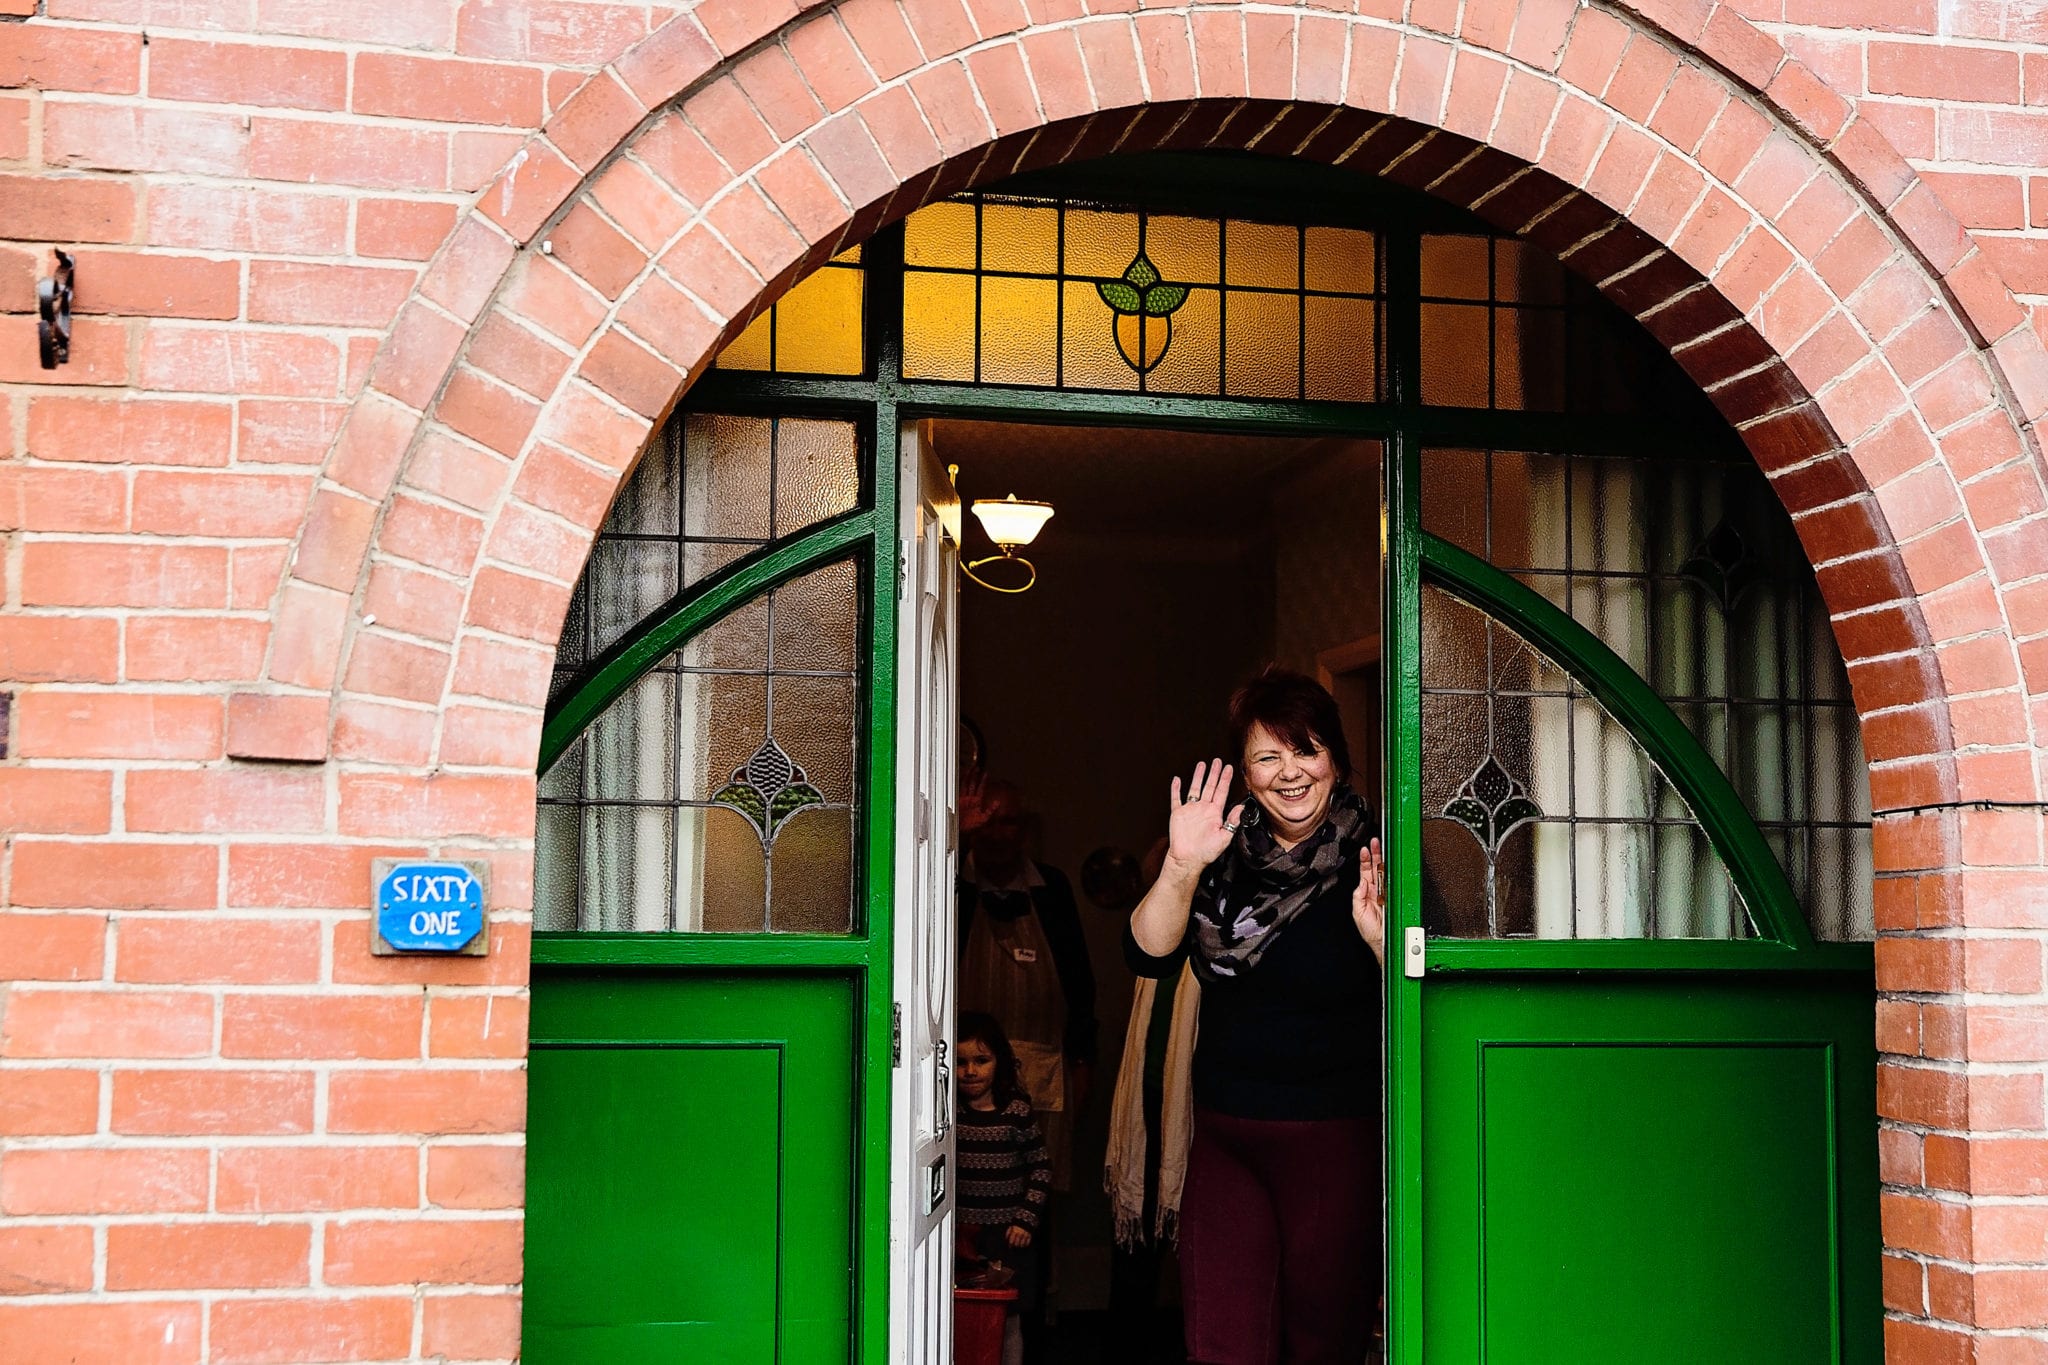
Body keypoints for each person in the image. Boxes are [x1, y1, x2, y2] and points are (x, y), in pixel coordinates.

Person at [1124, 667, 1387, 1365]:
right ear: (1245, 772)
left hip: (1335, 1139)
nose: (1291, 772)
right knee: (1220, 1343)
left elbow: (1431, 991)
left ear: (1336, 756)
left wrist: (1383, 944)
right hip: (1226, 1138)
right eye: (1269, 756)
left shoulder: (1379, 855)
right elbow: (1147, 954)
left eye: (1307, 749)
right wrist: (1181, 865)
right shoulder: (1218, 849)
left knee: (1322, 1343)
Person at [957, 775, 1097, 1189]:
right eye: (986, 823)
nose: (997, 835)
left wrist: (1084, 1064)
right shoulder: (948, 884)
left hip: (1044, 1081)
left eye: (1009, 823)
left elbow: (1081, 988)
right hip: (965, 1082)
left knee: (1034, 1204)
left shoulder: (1052, 889)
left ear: (1025, 830)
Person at [956, 1011, 1053, 1365]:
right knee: (963, 1315)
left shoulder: (1015, 1110)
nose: (970, 1071)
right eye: (961, 1061)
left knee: (1008, 1321)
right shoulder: (950, 1115)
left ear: (999, 1061)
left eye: (981, 1060)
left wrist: (1025, 1221)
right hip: (962, 1238)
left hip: (1008, 1239)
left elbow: (1041, 1168)